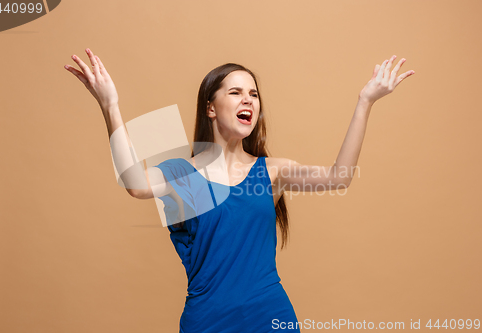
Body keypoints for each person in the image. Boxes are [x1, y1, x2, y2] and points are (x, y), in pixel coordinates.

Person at [64, 49, 415, 332]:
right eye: (235, 92)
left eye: (254, 94)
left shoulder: (269, 172)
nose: (248, 100)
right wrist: (109, 105)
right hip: (208, 322)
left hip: (270, 317)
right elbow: (135, 184)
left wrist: (365, 102)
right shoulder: (183, 175)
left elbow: (339, 177)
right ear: (211, 108)